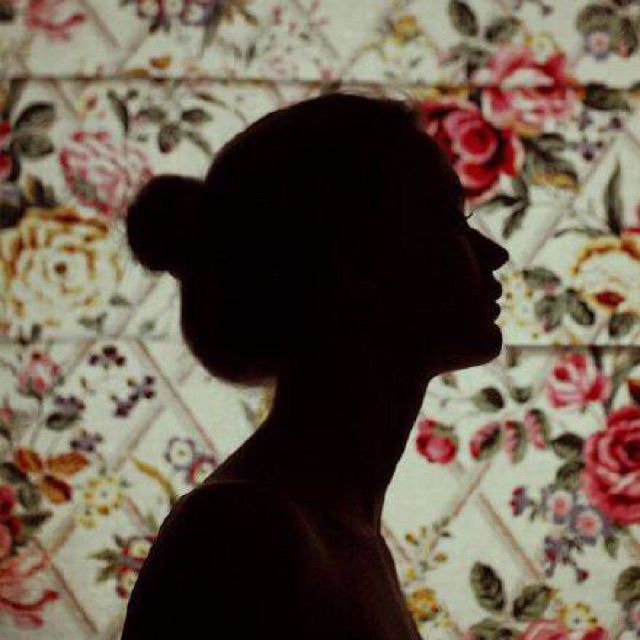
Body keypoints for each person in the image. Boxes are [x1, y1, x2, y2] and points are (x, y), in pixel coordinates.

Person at [120, 91, 509, 640]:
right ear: (354, 261)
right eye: (451, 220)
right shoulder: (241, 537)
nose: (494, 253)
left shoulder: (344, 536)